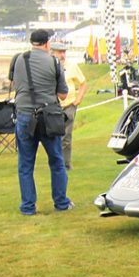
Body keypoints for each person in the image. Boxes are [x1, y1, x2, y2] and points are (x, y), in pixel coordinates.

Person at [11, 29, 70, 215]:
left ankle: (28, 206)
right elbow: (63, 94)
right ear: (47, 43)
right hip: (48, 116)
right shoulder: (54, 61)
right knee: (56, 160)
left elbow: (15, 84)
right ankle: (61, 202)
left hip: (25, 115)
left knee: (25, 164)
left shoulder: (18, 59)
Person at [53, 37, 86, 171]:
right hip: (54, 105)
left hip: (69, 104)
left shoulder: (71, 65)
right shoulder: (50, 66)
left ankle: (66, 163)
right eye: (59, 52)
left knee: (67, 135)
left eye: (64, 52)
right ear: (52, 52)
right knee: (55, 135)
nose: (62, 55)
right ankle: (56, 162)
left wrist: (78, 99)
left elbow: (83, 83)